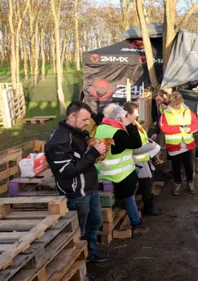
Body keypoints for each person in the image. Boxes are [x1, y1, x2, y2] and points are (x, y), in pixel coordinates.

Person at [45, 101, 108, 262]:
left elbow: (84, 158)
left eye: (89, 119)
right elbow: (68, 171)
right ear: (72, 116)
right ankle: (78, 263)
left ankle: (90, 253)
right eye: (85, 119)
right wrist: (93, 153)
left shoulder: (81, 132)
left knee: (95, 222)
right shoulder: (59, 141)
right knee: (78, 230)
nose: (88, 123)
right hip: (76, 193)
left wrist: (97, 151)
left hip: (90, 187)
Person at [94, 103, 147, 235]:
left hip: (102, 173)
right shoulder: (118, 132)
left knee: (135, 172)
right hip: (119, 176)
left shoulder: (101, 128)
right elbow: (136, 143)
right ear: (119, 117)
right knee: (129, 195)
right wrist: (129, 125)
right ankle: (136, 224)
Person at [124, 102, 163, 216]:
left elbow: (143, 139)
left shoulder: (134, 124)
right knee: (147, 183)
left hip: (144, 159)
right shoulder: (127, 128)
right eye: (136, 113)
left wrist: (151, 143)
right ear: (128, 114)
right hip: (138, 161)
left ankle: (148, 206)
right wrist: (152, 147)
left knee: (149, 181)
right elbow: (134, 149)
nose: (137, 115)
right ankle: (148, 209)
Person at [152, 89, 198, 173]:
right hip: (172, 132)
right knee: (170, 146)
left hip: (184, 129)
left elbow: (187, 112)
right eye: (156, 101)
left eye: (159, 100)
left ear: (165, 96)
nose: (158, 102)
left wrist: (188, 127)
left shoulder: (175, 101)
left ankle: (197, 161)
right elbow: (160, 120)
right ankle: (172, 166)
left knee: (191, 145)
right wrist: (156, 131)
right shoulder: (162, 106)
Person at [159, 92, 198, 195]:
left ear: (181, 102)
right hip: (174, 146)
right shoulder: (165, 113)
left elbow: (196, 123)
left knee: (189, 166)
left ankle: (190, 183)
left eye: (178, 104)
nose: (177, 106)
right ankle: (178, 184)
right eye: (174, 104)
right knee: (175, 167)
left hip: (187, 144)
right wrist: (180, 128)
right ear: (171, 103)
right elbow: (164, 128)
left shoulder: (187, 111)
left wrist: (189, 128)